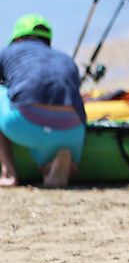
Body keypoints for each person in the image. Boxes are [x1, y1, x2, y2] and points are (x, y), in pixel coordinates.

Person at [0, 16, 87, 189]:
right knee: (47, 112)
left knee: (18, 101)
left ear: (17, 39)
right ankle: (53, 167)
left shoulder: (8, 52)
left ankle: (9, 174)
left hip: (26, 124)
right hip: (74, 129)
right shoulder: (65, 58)